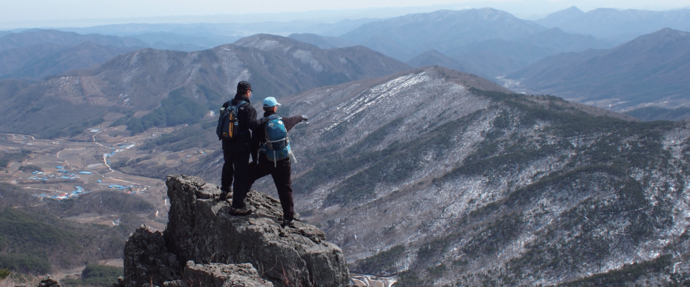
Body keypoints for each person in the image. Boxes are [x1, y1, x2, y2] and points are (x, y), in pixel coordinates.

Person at [249, 97, 307, 227]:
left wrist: (254, 160)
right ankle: (288, 219)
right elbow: (294, 119)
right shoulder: (283, 121)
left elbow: (253, 145)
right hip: (283, 161)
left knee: (247, 176)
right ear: (275, 108)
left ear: (264, 108)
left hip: (265, 161)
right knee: (285, 189)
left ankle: (239, 203)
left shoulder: (259, 125)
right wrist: (302, 117)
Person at [219, 81, 259, 216]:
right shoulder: (248, 108)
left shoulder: (227, 105)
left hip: (227, 143)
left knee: (228, 166)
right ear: (248, 92)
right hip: (241, 146)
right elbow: (253, 126)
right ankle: (237, 205)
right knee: (241, 174)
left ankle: (224, 191)